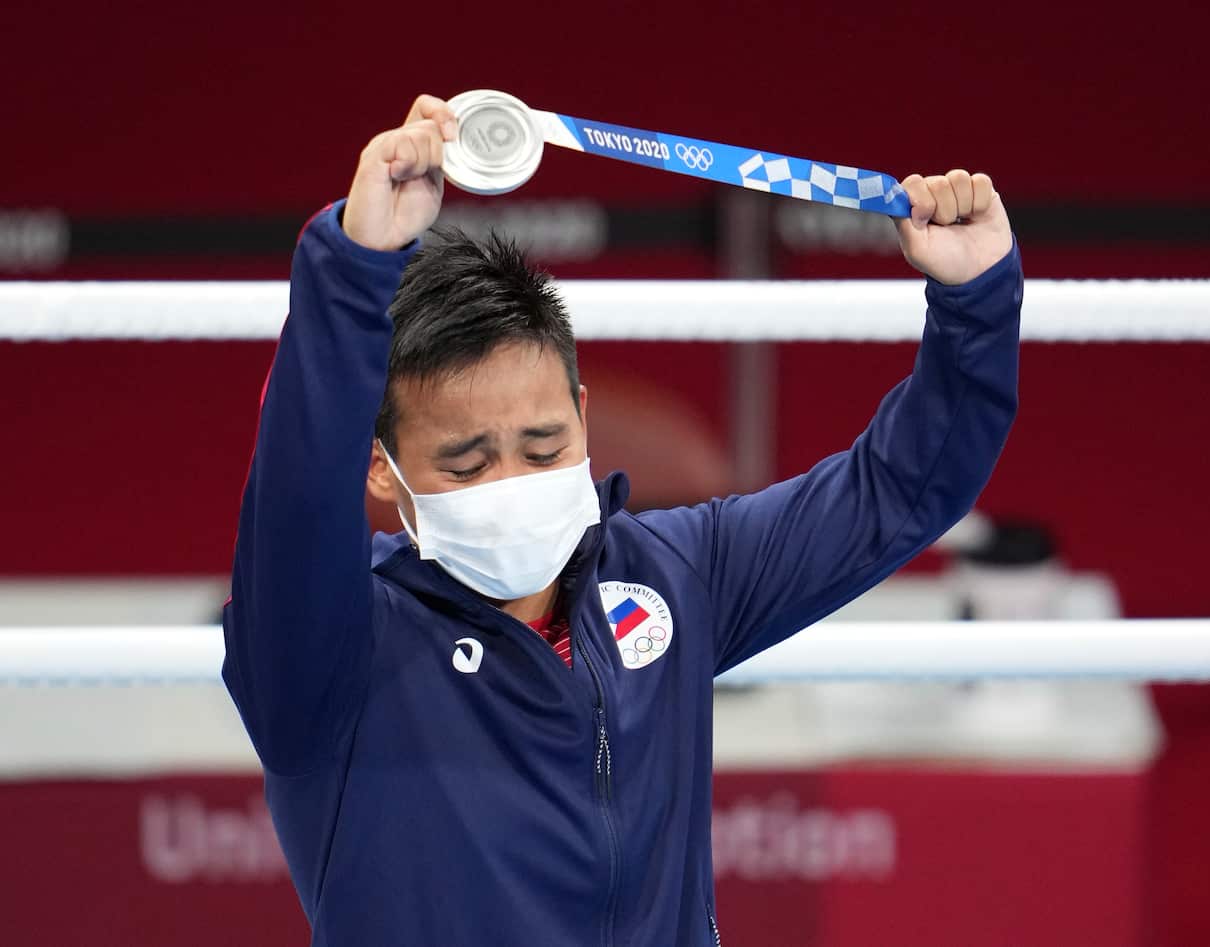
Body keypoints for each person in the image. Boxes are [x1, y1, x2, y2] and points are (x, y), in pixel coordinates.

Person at [222, 93, 1022, 945]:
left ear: (583, 414)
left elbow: (899, 491)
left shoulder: (673, 573)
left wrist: (974, 303)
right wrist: (354, 263)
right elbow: (296, 499)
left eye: (542, 445)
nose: (513, 481)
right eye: (467, 462)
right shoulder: (329, 654)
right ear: (378, 467)